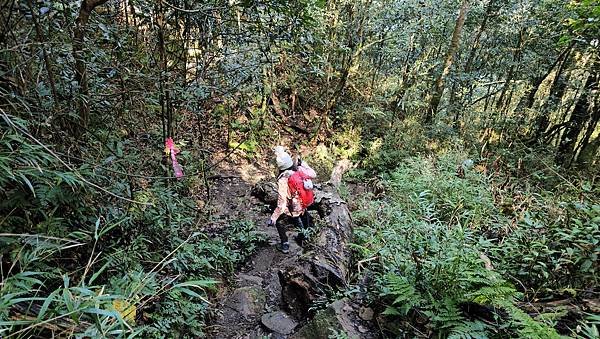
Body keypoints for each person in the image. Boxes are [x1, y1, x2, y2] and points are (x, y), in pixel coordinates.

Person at [268, 146, 316, 254]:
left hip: (293, 207)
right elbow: (313, 174)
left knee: (280, 221)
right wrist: (303, 164)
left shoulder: (283, 180)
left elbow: (281, 204)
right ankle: (304, 238)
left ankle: (285, 244)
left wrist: (273, 217)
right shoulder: (299, 170)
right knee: (301, 217)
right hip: (304, 203)